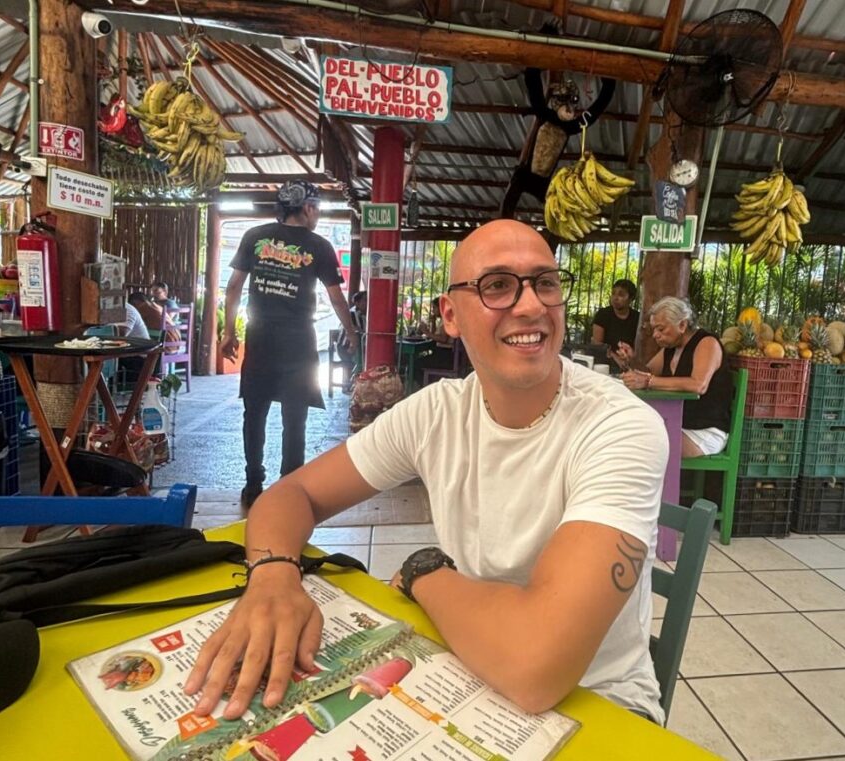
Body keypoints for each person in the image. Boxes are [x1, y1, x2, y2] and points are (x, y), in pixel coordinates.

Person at [184, 219, 669, 725]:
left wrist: (424, 573)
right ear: (451, 315)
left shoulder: (622, 426)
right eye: (497, 285)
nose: (530, 306)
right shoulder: (437, 412)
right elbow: (292, 495)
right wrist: (273, 577)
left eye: (545, 282)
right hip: (473, 668)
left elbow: (535, 668)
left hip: (601, 703)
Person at [220, 180, 359, 509]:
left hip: (261, 337)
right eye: (318, 209)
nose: (318, 215)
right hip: (298, 341)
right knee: (294, 418)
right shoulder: (319, 246)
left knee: (254, 413)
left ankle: (253, 482)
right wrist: (352, 332)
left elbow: (234, 287)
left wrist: (229, 331)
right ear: (309, 208)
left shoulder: (255, 237)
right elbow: (336, 299)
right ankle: (289, 487)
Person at [619, 297, 733, 457]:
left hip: (704, 431)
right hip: (676, 423)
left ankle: (667, 483)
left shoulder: (707, 342)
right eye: (654, 330)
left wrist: (648, 381)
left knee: (638, 443)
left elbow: (699, 385)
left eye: (661, 329)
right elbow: (647, 371)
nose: (655, 335)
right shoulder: (671, 347)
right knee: (625, 433)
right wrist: (631, 360)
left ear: (682, 325)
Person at [592, 278, 639, 371]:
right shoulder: (603, 314)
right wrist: (615, 358)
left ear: (631, 298)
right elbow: (597, 344)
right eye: (613, 293)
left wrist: (630, 359)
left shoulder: (637, 317)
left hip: (630, 362)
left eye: (621, 295)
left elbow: (640, 346)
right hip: (605, 362)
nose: (615, 298)